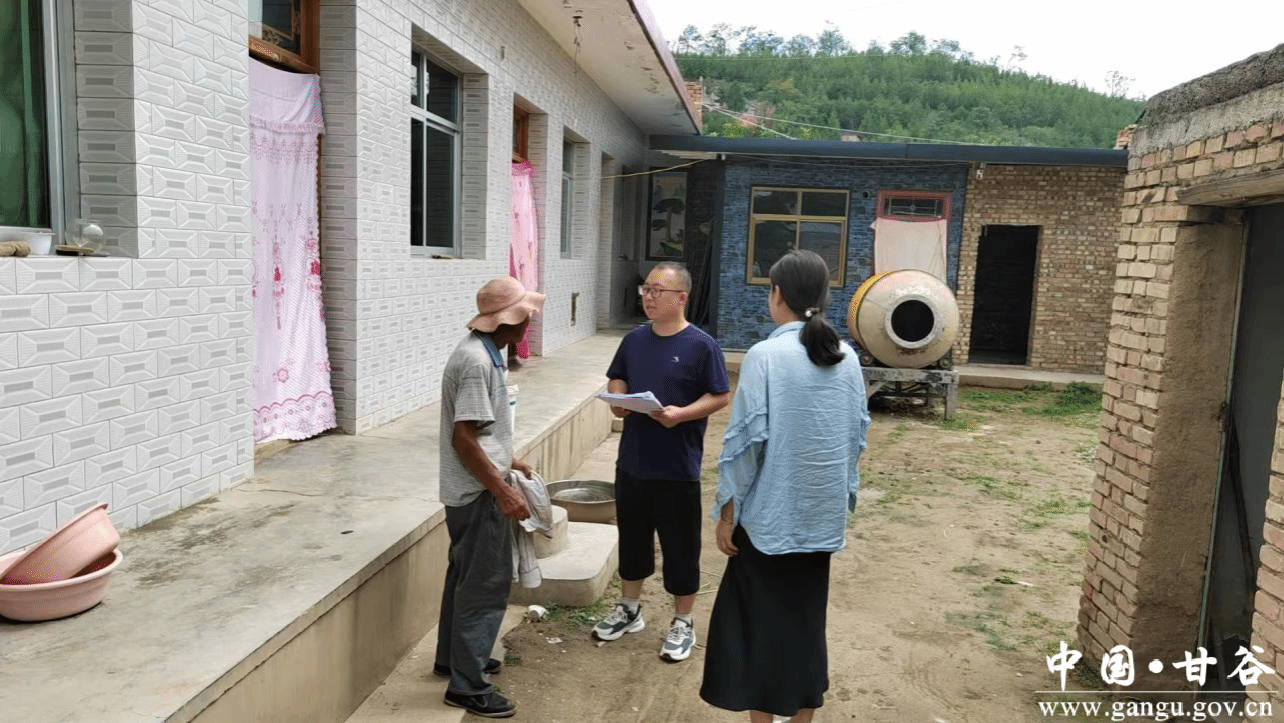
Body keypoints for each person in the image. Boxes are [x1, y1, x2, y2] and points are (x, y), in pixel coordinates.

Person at [700, 249, 870, 723]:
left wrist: (727, 515)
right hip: (820, 522)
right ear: (823, 297)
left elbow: (744, 447)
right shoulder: (847, 359)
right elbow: (854, 437)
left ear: (777, 294)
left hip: (767, 524)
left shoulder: (766, 356)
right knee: (804, 629)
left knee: (759, 633)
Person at [592, 261, 731, 663]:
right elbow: (617, 375)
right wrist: (619, 399)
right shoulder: (634, 340)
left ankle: (683, 621)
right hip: (633, 463)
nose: (649, 297)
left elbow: (720, 395)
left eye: (658, 291)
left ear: (681, 298)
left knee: (680, 547)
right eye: (646, 290)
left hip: (677, 468)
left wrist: (681, 414)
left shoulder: (702, 346)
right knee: (633, 540)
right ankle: (629, 609)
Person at [434, 276, 544, 719]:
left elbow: (478, 432)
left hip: (470, 489)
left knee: (464, 578)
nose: (530, 320)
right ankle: (467, 686)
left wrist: (507, 459)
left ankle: (454, 660)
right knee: (484, 586)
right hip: (477, 494)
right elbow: (463, 439)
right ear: (507, 321)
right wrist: (502, 491)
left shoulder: (484, 354)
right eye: (525, 314)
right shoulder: (478, 363)